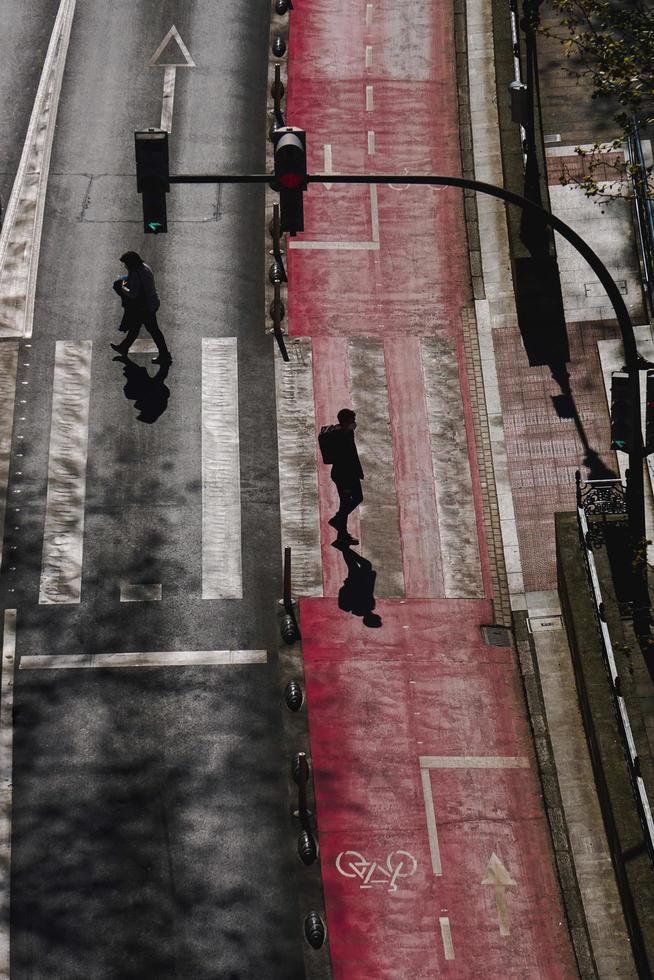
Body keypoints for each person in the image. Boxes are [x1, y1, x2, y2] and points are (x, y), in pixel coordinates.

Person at [110, 251, 171, 364]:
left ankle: (165, 355)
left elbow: (133, 293)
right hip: (151, 302)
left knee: (153, 330)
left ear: (131, 263)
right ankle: (124, 347)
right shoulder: (144, 267)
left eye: (126, 264)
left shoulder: (136, 274)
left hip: (145, 307)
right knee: (136, 327)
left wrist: (122, 287)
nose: (125, 266)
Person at [327, 408, 364, 545]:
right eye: (352, 420)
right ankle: (341, 531)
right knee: (348, 503)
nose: (354, 422)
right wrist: (347, 485)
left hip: (346, 474)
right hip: (345, 476)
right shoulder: (342, 436)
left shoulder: (343, 432)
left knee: (348, 502)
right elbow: (346, 459)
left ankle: (340, 527)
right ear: (346, 421)